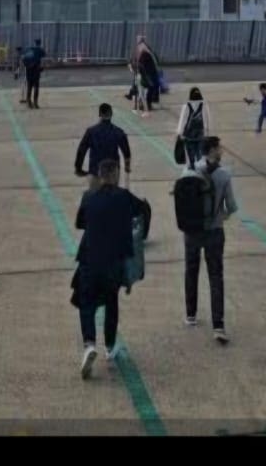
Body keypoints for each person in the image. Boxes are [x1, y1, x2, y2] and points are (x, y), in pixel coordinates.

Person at [73, 158, 148, 377]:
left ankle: (89, 344)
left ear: (99, 175)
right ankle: (110, 346)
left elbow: (80, 223)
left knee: (86, 303)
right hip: (114, 263)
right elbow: (142, 209)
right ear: (115, 174)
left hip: (89, 260)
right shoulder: (124, 197)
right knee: (111, 302)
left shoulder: (89, 197)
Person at [183, 136, 237, 344]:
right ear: (213, 150)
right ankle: (218, 325)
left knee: (191, 270)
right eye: (219, 147)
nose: (221, 150)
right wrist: (218, 216)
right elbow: (231, 206)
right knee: (216, 276)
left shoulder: (189, 171)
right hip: (214, 231)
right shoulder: (224, 175)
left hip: (192, 231)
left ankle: (191, 314)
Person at [76, 103, 133, 191]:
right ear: (111, 114)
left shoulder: (91, 132)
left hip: (95, 171)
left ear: (99, 115)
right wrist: (127, 167)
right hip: (112, 172)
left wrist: (78, 168)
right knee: (111, 200)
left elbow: (81, 151)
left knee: (95, 200)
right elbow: (127, 153)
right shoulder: (118, 132)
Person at [176, 87, 213, 169]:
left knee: (190, 153)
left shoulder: (186, 106)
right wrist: (208, 133)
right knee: (200, 153)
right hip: (201, 134)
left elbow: (183, 120)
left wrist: (180, 133)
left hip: (189, 135)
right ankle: (199, 167)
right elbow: (208, 119)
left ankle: (192, 167)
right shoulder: (203, 105)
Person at [133, 35, 161, 113]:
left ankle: (143, 105)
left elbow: (138, 63)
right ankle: (145, 105)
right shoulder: (144, 51)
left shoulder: (143, 51)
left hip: (146, 73)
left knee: (143, 90)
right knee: (146, 89)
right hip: (146, 74)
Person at [22, 38, 46, 108]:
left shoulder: (28, 50)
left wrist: (27, 66)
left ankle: (29, 101)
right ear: (40, 43)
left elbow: (23, 59)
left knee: (29, 86)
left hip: (29, 70)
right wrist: (42, 68)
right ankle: (35, 102)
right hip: (36, 70)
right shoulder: (40, 50)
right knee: (36, 87)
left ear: (34, 43)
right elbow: (43, 59)